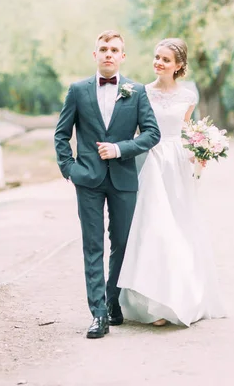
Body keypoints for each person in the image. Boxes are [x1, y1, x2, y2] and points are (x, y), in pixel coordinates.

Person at [54, 30, 161, 339]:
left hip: (124, 178)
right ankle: (98, 313)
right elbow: (61, 135)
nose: (109, 54)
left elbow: (151, 133)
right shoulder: (77, 90)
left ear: (123, 56)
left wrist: (120, 149)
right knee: (92, 245)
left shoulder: (136, 91)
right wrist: (70, 169)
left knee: (123, 243)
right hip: (87, 178)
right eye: (104, 49)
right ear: (95, 55)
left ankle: (113, 300)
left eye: (115, 49)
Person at [118, 38, 225, 327]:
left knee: (179, 226)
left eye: (165, 59)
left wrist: (200, 152)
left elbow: (188, 130)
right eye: (156, 57)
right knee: (154, 226)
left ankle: (178, 297)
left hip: (178, 164)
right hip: (150, 161)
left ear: (178, 66)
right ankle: (154, 300)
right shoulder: (140, 92)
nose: (159, 63)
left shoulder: (188, 96)